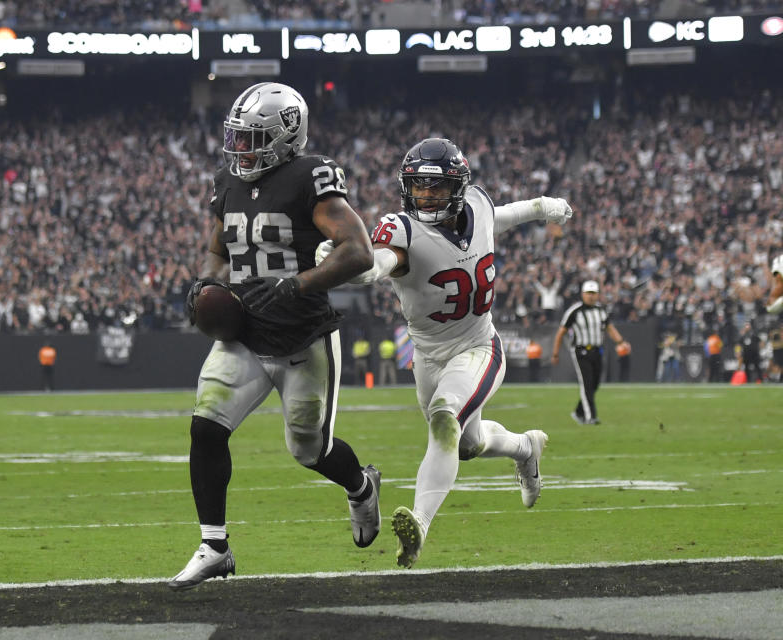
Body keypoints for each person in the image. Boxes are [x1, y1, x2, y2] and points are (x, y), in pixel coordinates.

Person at [316, 137, 572, 568]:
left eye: (436, 188)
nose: (426, 196)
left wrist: (540, 206)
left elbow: (499, 217)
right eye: (419, 187)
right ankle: (526, 448)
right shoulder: (404, 229)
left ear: (457, 187)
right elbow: (381, 262)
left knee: (444, 419)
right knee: (466, 444)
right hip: (428, 357)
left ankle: (418, 524)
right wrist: (350, 265)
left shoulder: (478, 204)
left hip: (477, 346)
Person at [168, 82, 379, 590]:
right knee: (206, 427)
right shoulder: (227, 180)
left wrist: (297, 284)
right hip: (244, 332)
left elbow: (359, 250)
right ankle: (214, 546)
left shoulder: (311, 176)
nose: (240, 148)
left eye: (252, 138)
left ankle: (360, 485)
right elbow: (218, 252)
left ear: (285, 137)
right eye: (236, 138)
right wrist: (208, 284)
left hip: (304, 336)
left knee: (310, 450)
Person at [552, 281, 629, 425]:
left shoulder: (601, 311)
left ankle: (578, 412)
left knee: (595, 384)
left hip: (597, 351)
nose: (591, 297)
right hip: (580, 351)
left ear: (598, 295)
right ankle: (590, 417)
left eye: (594, 294)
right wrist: (555, 353)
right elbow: (561, 332)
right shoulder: (574, 311)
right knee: (587, 384)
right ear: (583, 294)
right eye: (588, 293)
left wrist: (621, 341)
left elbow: (610, 328)